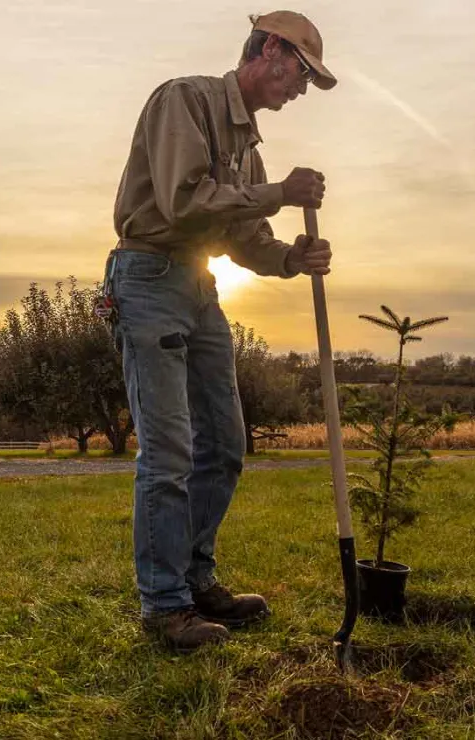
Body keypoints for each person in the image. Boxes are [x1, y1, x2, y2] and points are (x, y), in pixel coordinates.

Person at [102, 10, 336, 652]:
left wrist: (290, 257)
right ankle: (165, 605)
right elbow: (183, 201)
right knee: (170, 451)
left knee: (227, 444)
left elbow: (244, 239)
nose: (300, 90)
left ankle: (196, 579)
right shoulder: (186, 99)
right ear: (270, 50)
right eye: (302, 75)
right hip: (148, 279)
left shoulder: (250, 146)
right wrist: (280, 192)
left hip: (200, 288)